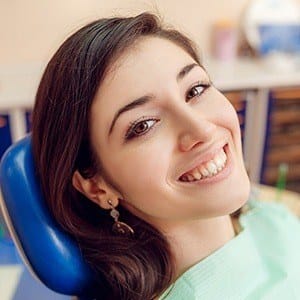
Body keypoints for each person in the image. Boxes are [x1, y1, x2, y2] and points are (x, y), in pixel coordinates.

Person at [31, 12, 300, 300]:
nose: (202, 129)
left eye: (195, 90)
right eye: (143, 125)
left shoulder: (261, 214)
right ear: (97, 186)